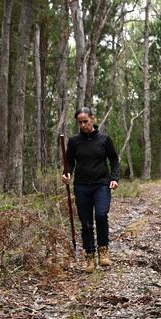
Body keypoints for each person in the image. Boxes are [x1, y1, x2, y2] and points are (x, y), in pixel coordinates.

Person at [61, 107, 120, 273]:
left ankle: (103, 251)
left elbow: (114, 160)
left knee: (101, 215)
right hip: (81, 186)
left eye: (85, 121)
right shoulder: (74, 141)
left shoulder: (104, 139)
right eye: (79, 122)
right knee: (86, 222)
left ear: (92, 119)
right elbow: (70, 162)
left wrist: (114, 178)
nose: (83, 125)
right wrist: (66, 174)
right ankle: (89, 256)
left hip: (101, 184)